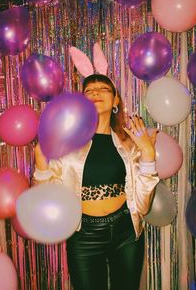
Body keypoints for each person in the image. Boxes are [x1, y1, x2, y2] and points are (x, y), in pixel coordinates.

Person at [33, 74, 159, 290]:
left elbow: (143, 205)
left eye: (103, 89)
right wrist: (41, 164)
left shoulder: (129, 144)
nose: (95, 93)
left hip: (126, 232)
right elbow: (47, 201)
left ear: (116, 100)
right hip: (83, 236)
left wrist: (147, 152)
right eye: (89, 91)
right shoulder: (64, 144)